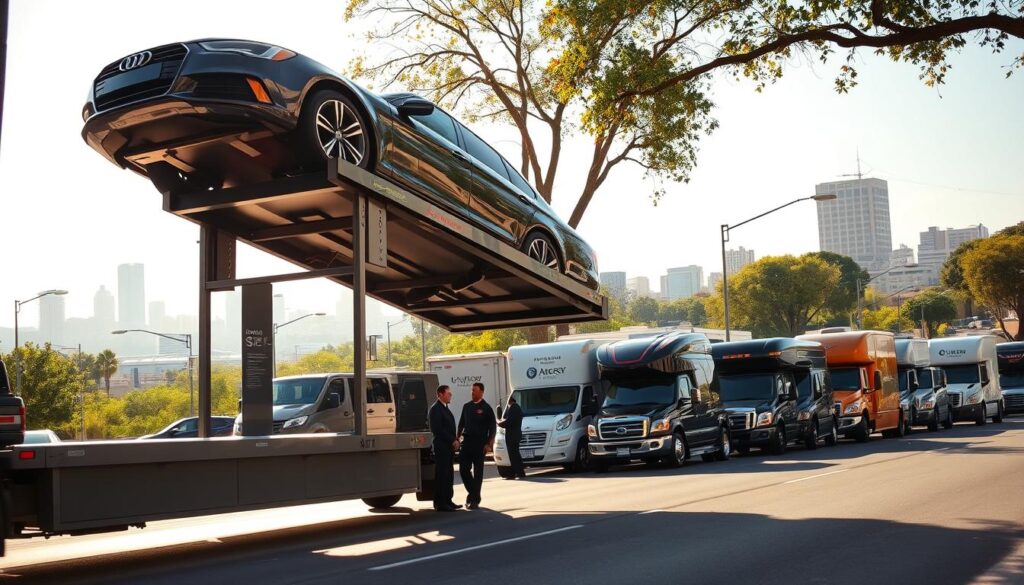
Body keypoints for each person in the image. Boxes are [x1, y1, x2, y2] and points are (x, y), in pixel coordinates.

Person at [457, 382, 497, 509]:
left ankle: (474, 500)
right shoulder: (466, 406)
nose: (472, 392)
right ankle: (473, 493)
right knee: (463, 470)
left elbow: (492, 428)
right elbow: (461, 425)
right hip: (467, 442)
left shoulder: (486, 408)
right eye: (471, 390)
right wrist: (457, 439)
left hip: (480, 444)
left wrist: (489, 444)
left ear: (481, 392)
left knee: (478, 472)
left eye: (474, 390)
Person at [428, 385, 461, 512]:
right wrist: (452, 440)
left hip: (449, 447)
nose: (450, 395)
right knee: (442, 474)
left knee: (449, 474)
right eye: (448, 393)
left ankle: (448, 500)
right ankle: (440, 503)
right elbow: (437, 429)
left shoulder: (445, 408)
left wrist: (456, 440)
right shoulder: (436, 409)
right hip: (442, 446)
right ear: (440, 394)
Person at [498, 395, 525, 479]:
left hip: (512, 436)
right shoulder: (517, 408)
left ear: (509, 401)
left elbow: (509, 422)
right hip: (515, 435)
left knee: (513, 455)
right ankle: (519, 472)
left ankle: (517, 472)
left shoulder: (513, 408)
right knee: (515, 454)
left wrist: (499, 423)